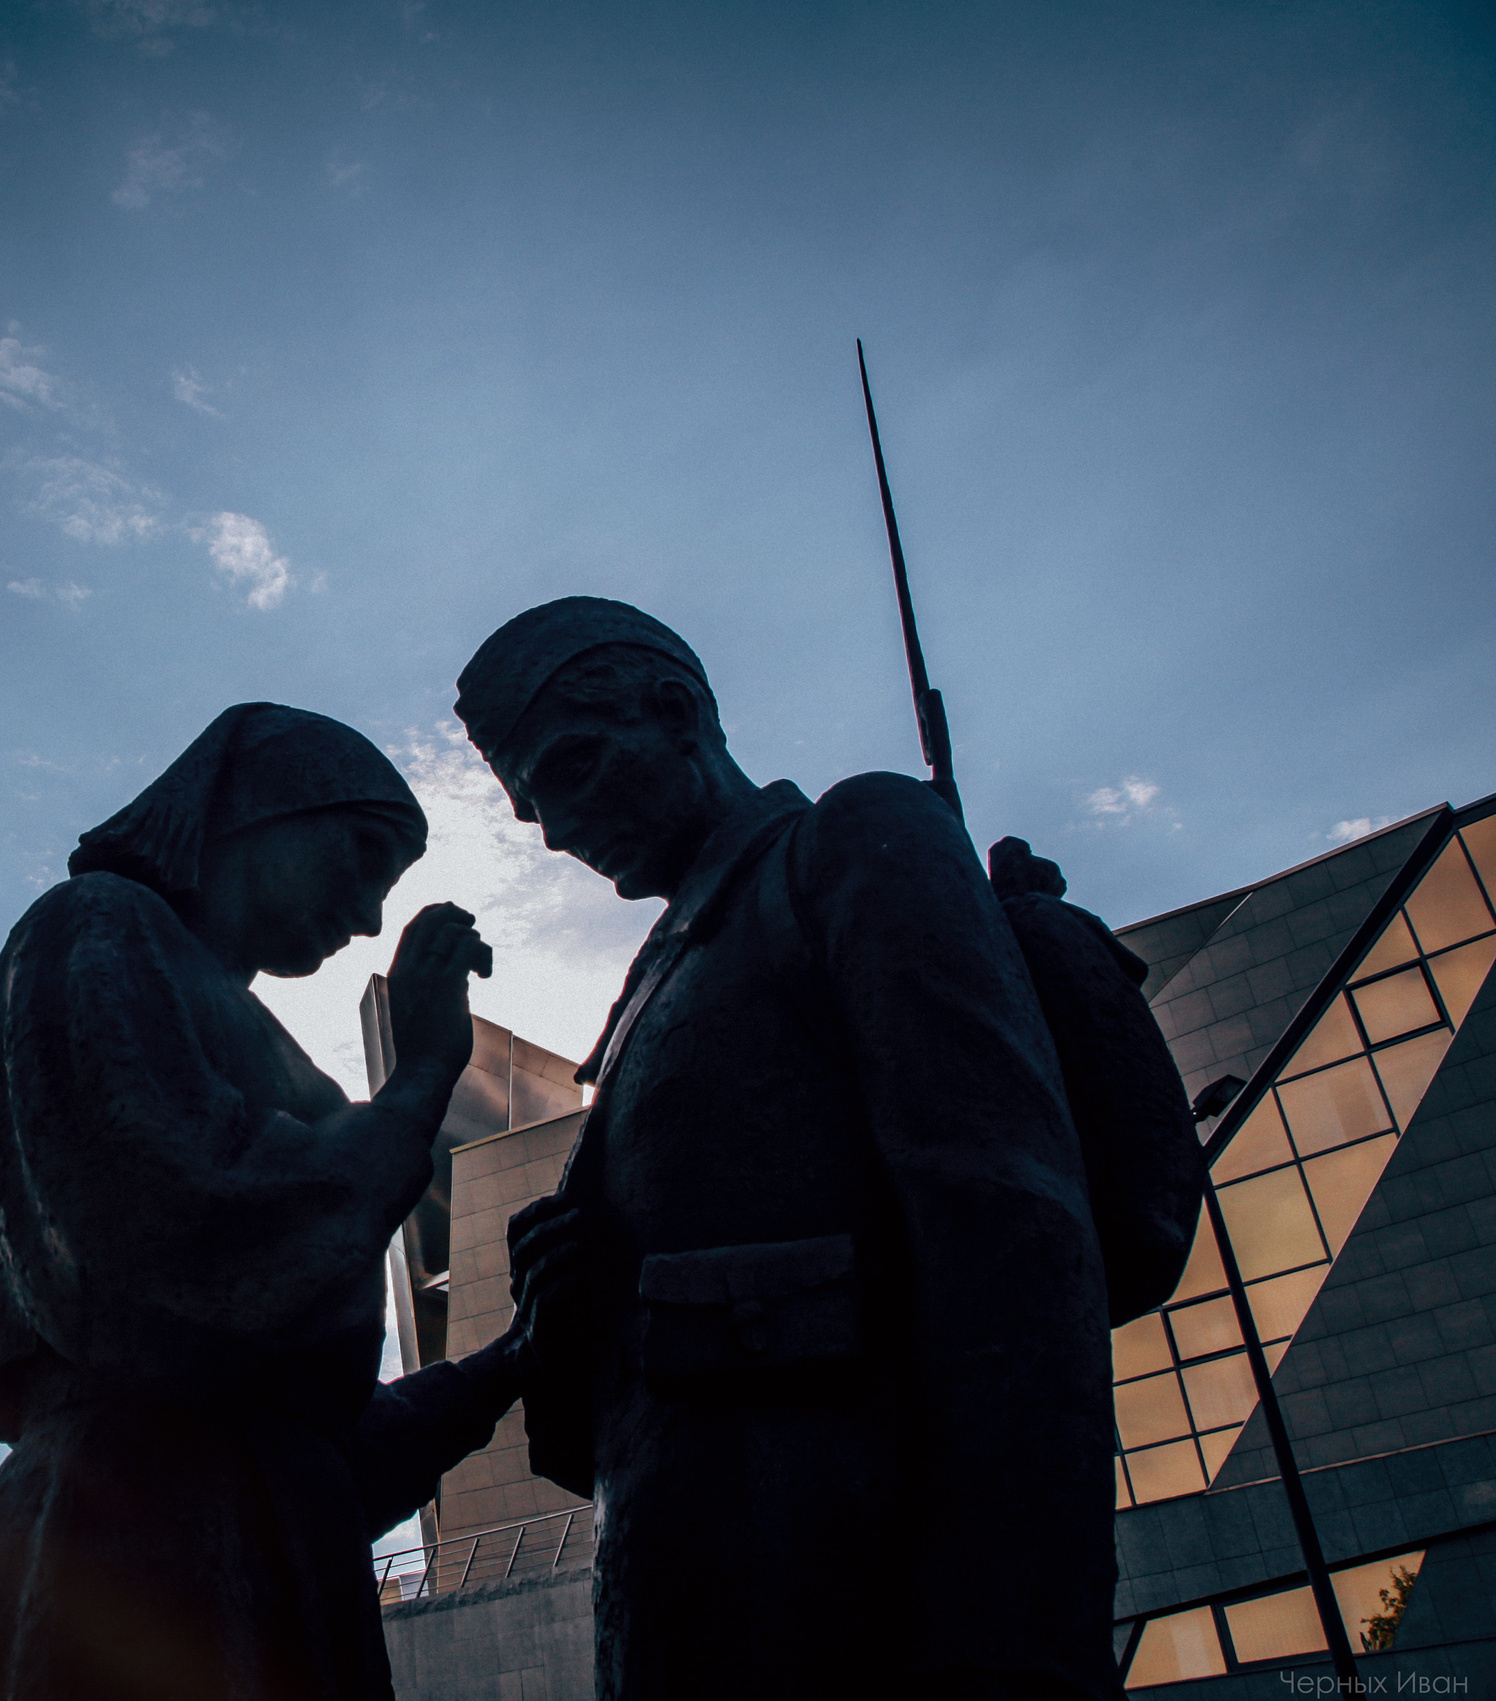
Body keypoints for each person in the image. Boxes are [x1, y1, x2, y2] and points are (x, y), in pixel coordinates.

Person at [468, 599, 1115, 1701]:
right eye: (530, 808)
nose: (556, 831)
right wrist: (568, 1307)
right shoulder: (641, 1000)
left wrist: (1006, 1626)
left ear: (677, 714)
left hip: (857, 1595)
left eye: (571, 769)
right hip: (691, 1607)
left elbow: (1007, 1215)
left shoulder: (856, 840)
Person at [0, 703, 529, 1701]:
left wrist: (512, 1361)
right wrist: (421, 1078)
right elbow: (196, 1243)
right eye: (361, 856)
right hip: (133, 1548)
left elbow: (305, 1436)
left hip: (249, 1548)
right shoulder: (97, 927)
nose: (371, 916)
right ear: (258, 812)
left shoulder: (236, 1021)